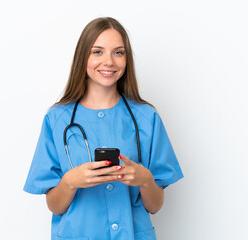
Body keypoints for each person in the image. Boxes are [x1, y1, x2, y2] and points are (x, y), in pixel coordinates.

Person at [23, 17, 183, 240]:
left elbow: (154, 206)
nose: (109, 61)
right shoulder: (57, 119)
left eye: (118, 52)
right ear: (83, 57)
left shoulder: (147, 117)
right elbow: (55, 206)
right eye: (97, 52)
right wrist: (70, 182)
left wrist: (145, 179)